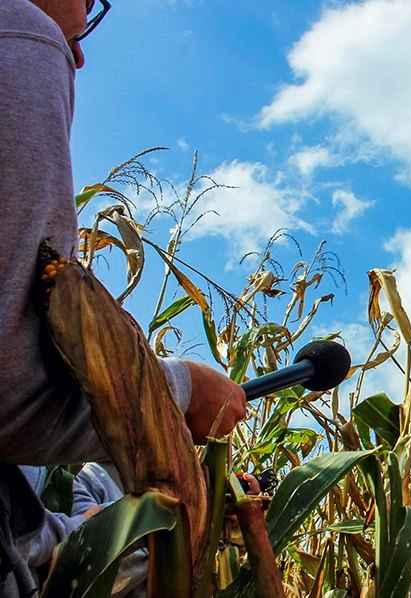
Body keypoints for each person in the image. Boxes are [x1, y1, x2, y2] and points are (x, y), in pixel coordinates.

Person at [0, 2, 246, 595]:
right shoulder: (20, 31)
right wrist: (179, 393)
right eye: (89, 4)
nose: (81, 51)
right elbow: (9, 390)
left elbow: (28, 537)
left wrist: (119, 533)